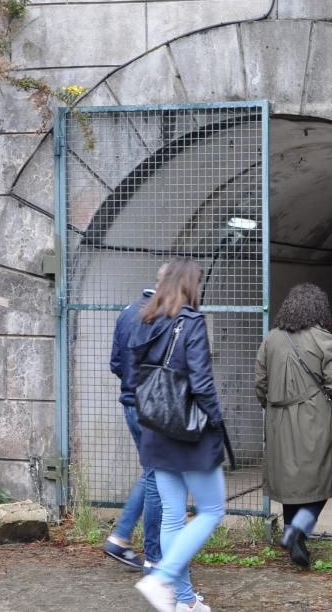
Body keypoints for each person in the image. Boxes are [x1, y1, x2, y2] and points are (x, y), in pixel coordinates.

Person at [130, 261, 228, 612]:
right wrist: (217, 420)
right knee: (212, 510)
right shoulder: (191, 323)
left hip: (155, 428)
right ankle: (162, 578)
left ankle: (183, 601)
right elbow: (201, 384)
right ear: (189, 286)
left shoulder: (144, 320)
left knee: (172, 517)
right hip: (189, 432)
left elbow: (130, 372)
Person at [255, 283, 332, 568]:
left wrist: (271, 406)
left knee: (289, 479)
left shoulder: (271, 338)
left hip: (278, 418)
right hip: (313, 416)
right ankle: (298, 530)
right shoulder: (324, 338)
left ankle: (292, 531)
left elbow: (260, 381)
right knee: (322, 476)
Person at [103, 265, 167, 571]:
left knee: (152, 472)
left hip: (130, 403)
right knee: (157, 477)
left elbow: (116, 362)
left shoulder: (128, 311)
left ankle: (121, 537)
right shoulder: (164, 317)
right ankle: (155, 558)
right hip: (153, 408)